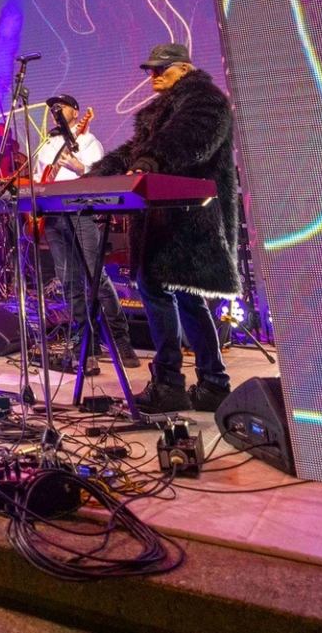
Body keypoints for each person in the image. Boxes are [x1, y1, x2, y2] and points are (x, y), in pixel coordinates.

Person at [92, 44, 241, 412]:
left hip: (192, 219)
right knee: (182, 295)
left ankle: (171, 382)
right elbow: (134, 150)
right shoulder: (161, 110)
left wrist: (148, 161)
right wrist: (98, 176)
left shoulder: (205, 100)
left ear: (185, 69)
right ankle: (212, 383)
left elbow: (185, 142)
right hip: (167, 219)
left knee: (159, 288)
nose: (154, 75)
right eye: (151, 70)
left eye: (162, 69)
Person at [32, 94, 139, 374]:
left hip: (80, 213)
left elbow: (98, 176)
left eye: (62, 107)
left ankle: (121, 339)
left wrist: (78, 167)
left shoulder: (88, 141)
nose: (56, 111)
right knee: (69, 281)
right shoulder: (47, 145)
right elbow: (38, 179)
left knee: (96, 276)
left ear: (76, 112)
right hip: (53, 216)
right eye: (52, 108)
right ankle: (85, 344)